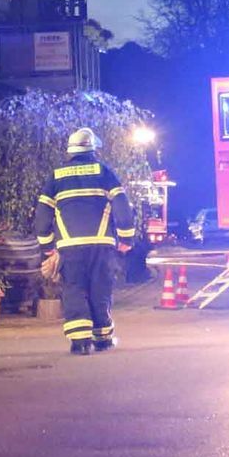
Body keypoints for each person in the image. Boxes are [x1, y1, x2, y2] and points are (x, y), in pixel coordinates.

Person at [33, 127, 138, 355]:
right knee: (100, 287)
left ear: (70, 151)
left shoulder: (56, 176)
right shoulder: (104, 172)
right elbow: (123, 207)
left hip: (69, 247)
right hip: (101, 244)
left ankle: (80, 342)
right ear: (93, 149)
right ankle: (103, 338)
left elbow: (42, 217)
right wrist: (126, 238)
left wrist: (48, 246)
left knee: (74, 288)